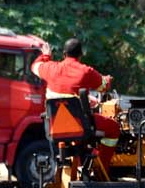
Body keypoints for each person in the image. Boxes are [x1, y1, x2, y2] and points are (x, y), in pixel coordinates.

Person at [31, 37, 122, 167]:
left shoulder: (50, 68)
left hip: (54, 127)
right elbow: (103, 86)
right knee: (114, 128)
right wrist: (107, 79)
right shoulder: (86, 71)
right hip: (80, 126)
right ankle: (101, 168)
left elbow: (35, 66)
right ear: (81, 55)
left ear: (64, 54)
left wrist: (46, 55)